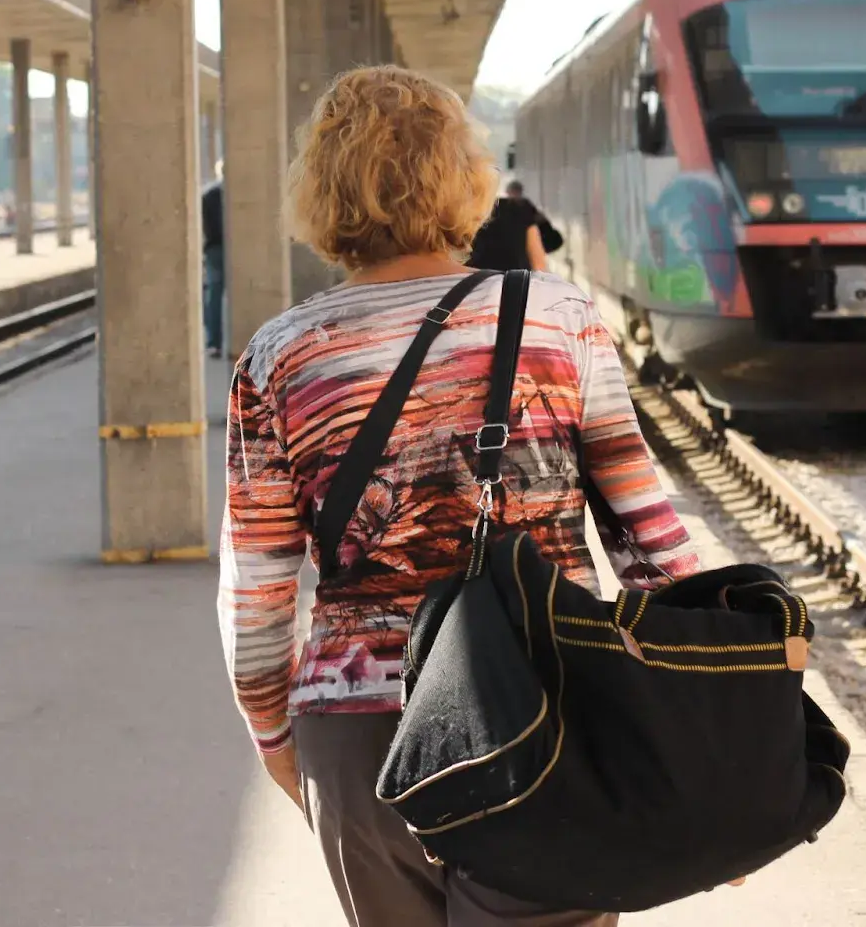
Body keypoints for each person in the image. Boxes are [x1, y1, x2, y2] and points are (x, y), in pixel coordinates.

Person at [217, 64, 701, 927]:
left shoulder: (278, 356)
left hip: (358, 727)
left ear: (321, 190)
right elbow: (649, 544)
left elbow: (255, 594)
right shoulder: (563, 320)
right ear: (463, 177)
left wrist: (279, 741)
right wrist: (702, 739)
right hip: (545, 705)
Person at [467, 181, 549, 271]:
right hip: (515, 281)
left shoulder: (464, 216)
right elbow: (539, 264)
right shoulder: (521, 208)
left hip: (477, 281)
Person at [202, 177, 225, 357]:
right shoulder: (233, 195)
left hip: (214, 249)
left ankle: (214, 343)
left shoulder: (210, 195)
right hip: (228, 247)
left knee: (214, 295)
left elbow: (207, 227)